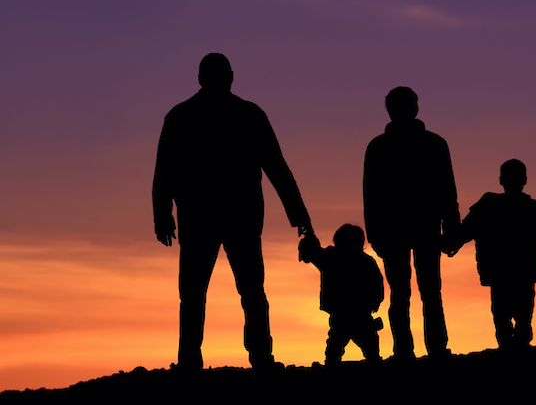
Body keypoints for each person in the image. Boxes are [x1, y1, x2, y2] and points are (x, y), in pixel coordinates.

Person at [152, 53, 312, 370]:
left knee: (202, 292)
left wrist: (162, 214)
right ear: (231, 76)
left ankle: (194, 359)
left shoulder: (183, 115)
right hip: (235, 215)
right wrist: (300, 217)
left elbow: (164, 171)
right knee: (244, 290)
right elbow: (277, 169)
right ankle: (257, 356)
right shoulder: (246, 114)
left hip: (208, 216)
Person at [363, 86, 460, 360]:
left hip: (396, 229)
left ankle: (406, 350)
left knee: (403, 293)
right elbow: (447, 191)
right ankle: (434, 348)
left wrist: (374, 234)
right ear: (415, 108)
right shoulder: (434, 143)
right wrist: (452, 227)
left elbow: (370, 195)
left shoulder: (379, 147)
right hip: (423, 227)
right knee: (428, 292)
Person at [456, 159, 536, 350]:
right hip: (524, 272)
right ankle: (517, 349)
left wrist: (448, 240)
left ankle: (509, 350)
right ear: (525, 180)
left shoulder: (487, 206)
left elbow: (465, 231)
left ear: (501, 180)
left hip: (499, 272)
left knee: (503, 318)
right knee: (522, 316)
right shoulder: (534, 209)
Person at [299, 224, 384, 365]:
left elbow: (312, 254)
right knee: (368, 345)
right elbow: (377, 286)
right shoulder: (366, 262)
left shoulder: (331, 258)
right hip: (360, 314)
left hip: (344, 314)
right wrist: (375, 302)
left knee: (336, 347)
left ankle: (334, 365)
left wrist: (309, 239)